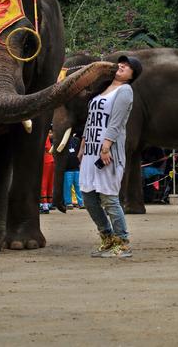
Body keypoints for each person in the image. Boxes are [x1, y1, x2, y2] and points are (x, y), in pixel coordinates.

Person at [78, 55, 142, 258]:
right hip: (90, 152)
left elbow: (117, 121)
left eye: (128, 66)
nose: (123, 66)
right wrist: (82, 146)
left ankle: (122, 242)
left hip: (107, 152)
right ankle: (107, 238)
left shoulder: (125, 91)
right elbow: (90, 121)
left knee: (108, 197)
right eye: (122, 63)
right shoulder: (101, 91)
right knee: (88, 197)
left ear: (133, 75)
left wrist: (106, 147)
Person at [64, 132, 84, 209]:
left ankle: (81, 202)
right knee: (67, 187)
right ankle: (68, 202)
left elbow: (81, 151)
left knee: (78, 186)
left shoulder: (77, 140)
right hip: (67, 169)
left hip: (77, 168)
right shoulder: (62, 140)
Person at [39, 130, 55, 214]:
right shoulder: (46, 136)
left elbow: (47, 148)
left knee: (43, 182)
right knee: (48, 182)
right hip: (50, 160)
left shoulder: (42, 135)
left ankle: (44, 204)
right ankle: (47, 203)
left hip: (45, 160)